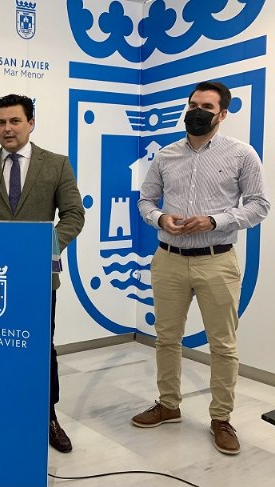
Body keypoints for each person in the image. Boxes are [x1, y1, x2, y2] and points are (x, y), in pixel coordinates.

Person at [134, 81, 270, 455]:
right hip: (169, 260)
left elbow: (259, 205)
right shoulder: (166, 155)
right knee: (166, 338)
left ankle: (221, 418)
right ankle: (168, 405)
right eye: (193, 104)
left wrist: (214, 220)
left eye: (206, 107)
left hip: (217, 260)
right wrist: (160, 218)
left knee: (223, 344)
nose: (196, 111)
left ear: (222, 114)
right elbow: (145, 201)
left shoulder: (242, 154)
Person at [0, 94, 85, 453]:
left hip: (38, 277)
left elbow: (74, 214)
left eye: (15, 121)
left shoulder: (56, 164)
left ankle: (48, 416)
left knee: (41, 348)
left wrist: (44, 246)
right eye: (1, 122)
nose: (7, 128)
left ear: (31, 123)